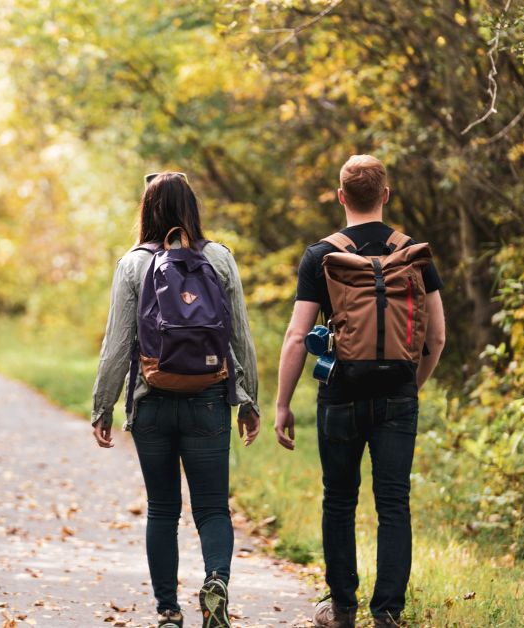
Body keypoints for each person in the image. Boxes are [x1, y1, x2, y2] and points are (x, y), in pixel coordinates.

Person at [274, 156, 447, 628]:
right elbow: (437, 338)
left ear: (341, 196)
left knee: (339, 499)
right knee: (393, 502)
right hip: (397, 393)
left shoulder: (320, 256)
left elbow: (296, 336)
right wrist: (410, 385)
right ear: (386, 195)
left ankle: (343, 608)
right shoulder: (413, 253)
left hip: (341, 393)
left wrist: (283, 403)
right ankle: (388, 612)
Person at [91, 172, 261, 628]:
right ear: (193, 208)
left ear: (146, 211)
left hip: (151, 399)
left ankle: (168, 611)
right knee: (212, 507)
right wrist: (248, 401)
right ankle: (217, 581)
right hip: (209, 399)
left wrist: (102, 406)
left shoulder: (133, 264)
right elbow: (241, 337)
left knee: (163, 509)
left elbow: (117, 344)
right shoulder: (220, 258)